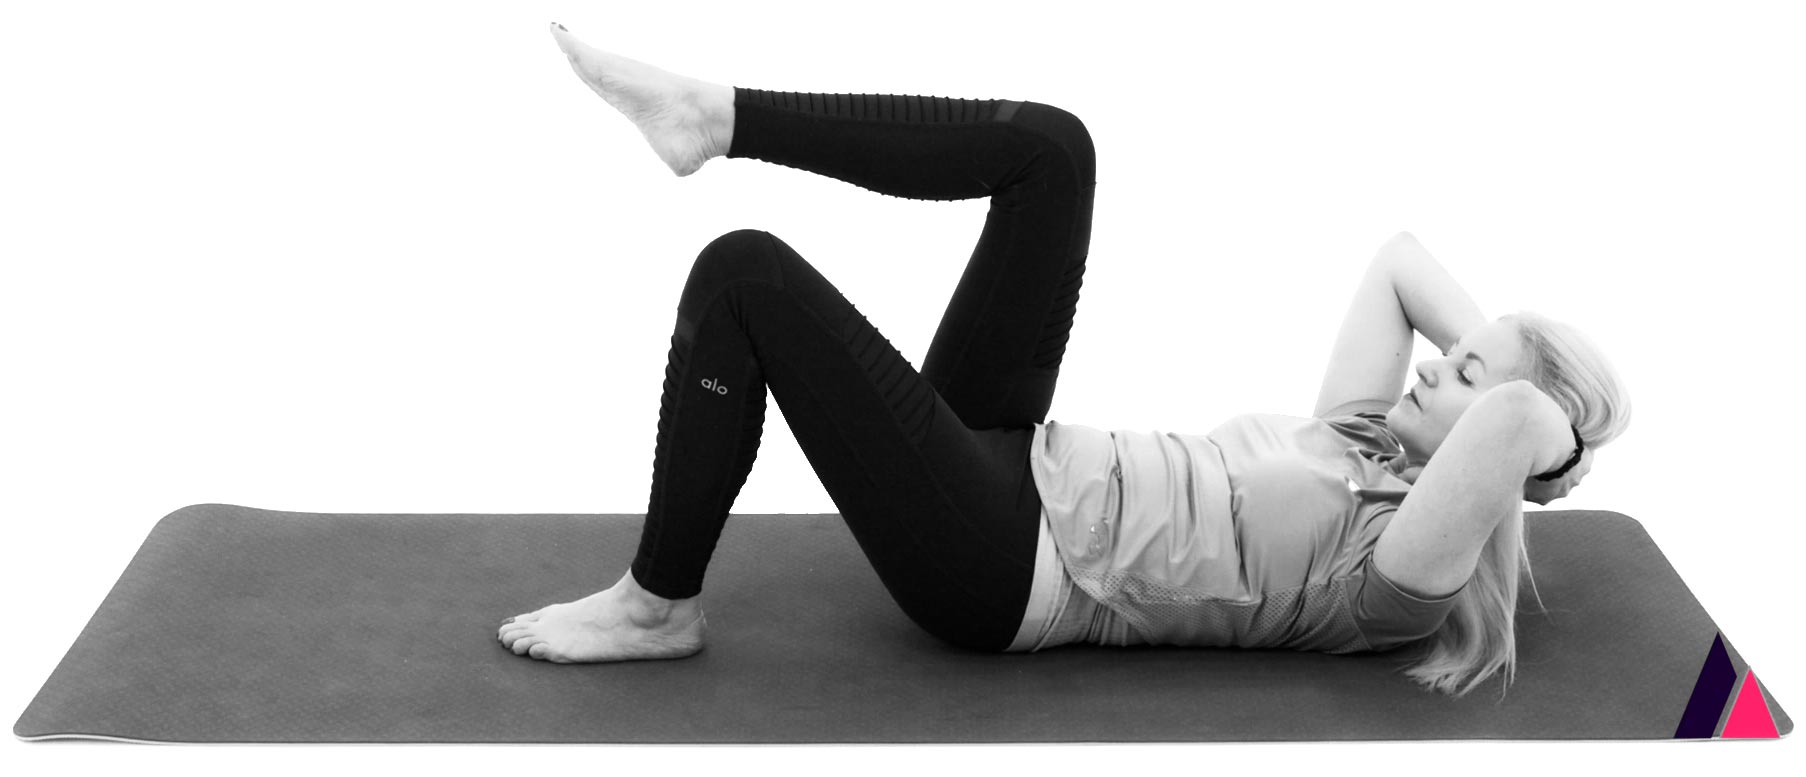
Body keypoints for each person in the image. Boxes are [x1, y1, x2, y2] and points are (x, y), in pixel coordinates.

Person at [497, 23, 1632, 697]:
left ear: (1505, 452)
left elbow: (1515, 422)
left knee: (743, 276)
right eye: (1453, 353)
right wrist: (1495, 372)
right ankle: (719, 116)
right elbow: (1398, 261)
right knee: (1053, 150)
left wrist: (1547, 447)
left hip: (1003, 569)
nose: (1435, 364)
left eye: (1462, 374)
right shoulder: (1362, 437)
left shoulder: (1398, 579)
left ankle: (656, 607)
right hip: (1015, 460)